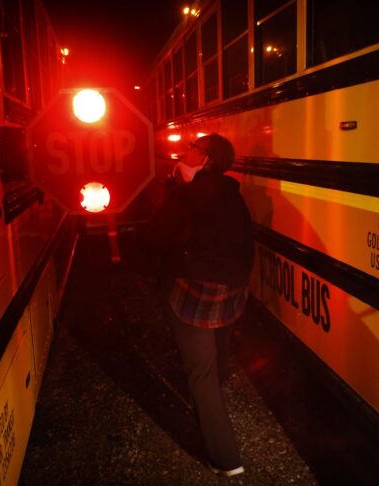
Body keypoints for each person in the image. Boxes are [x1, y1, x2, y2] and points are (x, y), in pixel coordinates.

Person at [144, 133, 254, 477]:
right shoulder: (233, 195)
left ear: (205, 159)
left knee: (200, 373)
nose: (187, 149)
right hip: (233, 290)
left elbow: (153, 237)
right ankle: (215, 400)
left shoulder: (187, 194)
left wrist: (174, 190)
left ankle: (226, 459)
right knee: (218, 353)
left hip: (196, 293)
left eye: (194, 146)